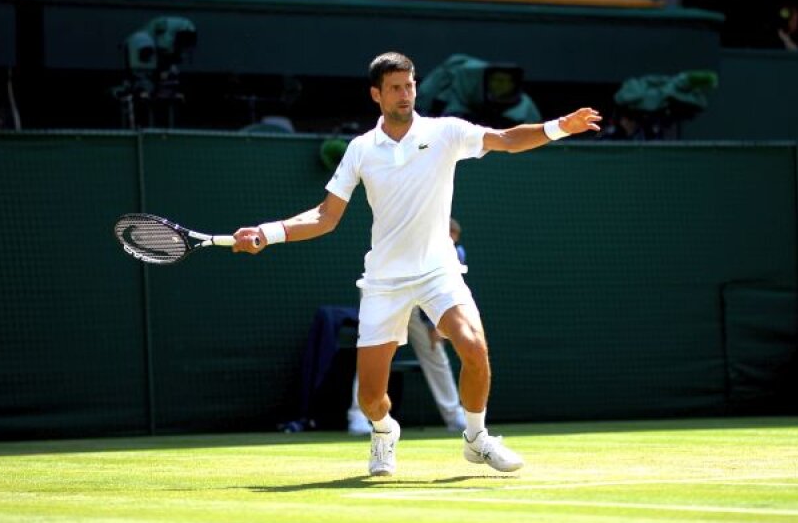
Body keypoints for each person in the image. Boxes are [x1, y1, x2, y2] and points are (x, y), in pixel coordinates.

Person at [230, 52, 601, 476]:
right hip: (384, 281)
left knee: (474, 347)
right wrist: (268, 232)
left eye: (410, 85)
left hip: (438, 272)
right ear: (376, 94)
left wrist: (559, 126)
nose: (405, 94)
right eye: (395, 88)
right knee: (371, 399)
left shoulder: (446, 132)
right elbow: (325, 217)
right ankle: (384, 431)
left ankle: (476, 438)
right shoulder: (360, 150)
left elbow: (507, 139)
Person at [345, 216, 471, 436]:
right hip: (386, 291)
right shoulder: (408, 240)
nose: (452, 243)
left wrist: (437, 323)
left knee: (435, 353)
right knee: (374, 354)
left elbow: (443, 287)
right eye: (449, 237)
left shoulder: (454, 253)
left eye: (454, 240)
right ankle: (358, 415)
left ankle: (455, 415)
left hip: (420, 303)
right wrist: (432, 321)